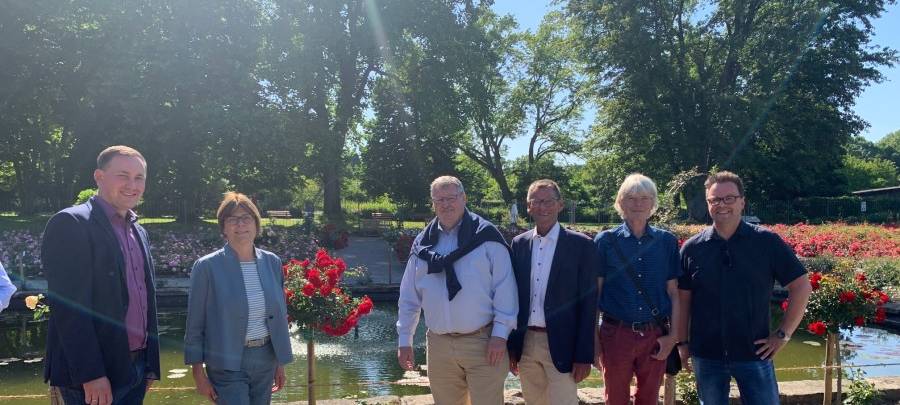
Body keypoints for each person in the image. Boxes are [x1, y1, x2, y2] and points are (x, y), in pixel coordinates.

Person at [677, 171, 812, 405]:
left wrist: (783, 334)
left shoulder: (767, 242)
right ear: (708, 204)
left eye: (729, 198)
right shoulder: (692, 248)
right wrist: (682, 343)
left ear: (742, 202)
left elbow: (801, 286)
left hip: (754, 353)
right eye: (714, 200)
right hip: (706, 355)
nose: (722, 205)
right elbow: (682, 300)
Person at [42, 145, 160, 405]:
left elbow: (145, 299)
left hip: (136, 366)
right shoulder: (71, 224)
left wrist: (150, 363)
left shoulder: (138, 231)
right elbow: (68, 307)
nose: (132, 185)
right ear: (99, 177)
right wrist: (91, 374)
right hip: (92, 375)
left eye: (139, 177)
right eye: (123, 176)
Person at [396, 175, 518, 405]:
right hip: (439, 346)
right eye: (439, 200)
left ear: (464, 198)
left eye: (451, 198)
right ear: (433, 203)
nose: (446, 204)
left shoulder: (487, 237)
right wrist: (405, 339)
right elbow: (409, 297)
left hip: (483, 343)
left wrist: (500, 335)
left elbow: (506, 290)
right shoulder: (422, 244)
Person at [184, 192, 293, 404]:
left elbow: (279, 316)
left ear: (256, 224)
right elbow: (195, 324)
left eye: (246, 218)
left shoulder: (272, 262)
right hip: (225, 361)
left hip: (266, 359)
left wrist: (279, 362)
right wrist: (198, 373)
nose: (240, 224)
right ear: (223, 227)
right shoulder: (206, 267)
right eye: (232, 219)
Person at [593, 173, 683, 405]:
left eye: (644, 198)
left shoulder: (666, 242)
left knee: (649, 399)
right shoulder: (605, 242)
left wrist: (673, 337)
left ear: (653, 203)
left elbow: (673, 293)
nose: (638, 204)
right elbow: (595, 294)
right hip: (615, 334)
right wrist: (593, 339)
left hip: (654, 334)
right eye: (631, 198)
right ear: (620, 203)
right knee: (615, 398)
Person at [507, 179, 597, 405]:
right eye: (536, 201)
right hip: (526, 343)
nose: (542, 207)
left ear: (560, 205)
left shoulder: (581, 246)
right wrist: (512, 346)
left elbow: (588, 304)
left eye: (548, 201)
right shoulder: (518, 244)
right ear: (528, 206)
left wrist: (584, 355)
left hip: (563, 343)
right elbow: (511, 297)